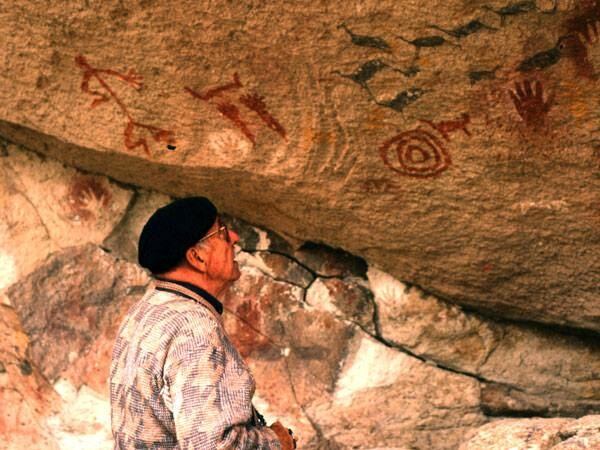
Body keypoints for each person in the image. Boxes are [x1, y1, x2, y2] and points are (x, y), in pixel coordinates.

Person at [109, 197, 295, 449]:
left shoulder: (147, 308)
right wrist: (277, 442)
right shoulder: (194, 327)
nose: (235, 237)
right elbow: (210, 445)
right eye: (221, 232)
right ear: (197, 257)